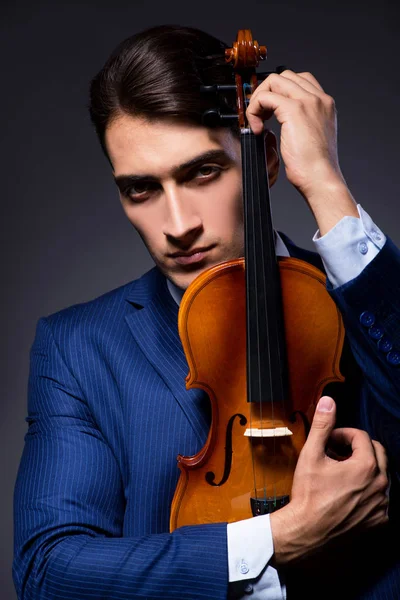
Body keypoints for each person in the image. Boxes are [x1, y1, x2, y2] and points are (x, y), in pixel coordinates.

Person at [13, 24, 400, 600]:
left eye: (201, 172)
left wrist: (325, 185)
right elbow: (49, 568)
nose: (177, 225)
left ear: (264, 159)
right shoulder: (77, 348)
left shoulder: (357, 298)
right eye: (141, 189)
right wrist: (273, 538)